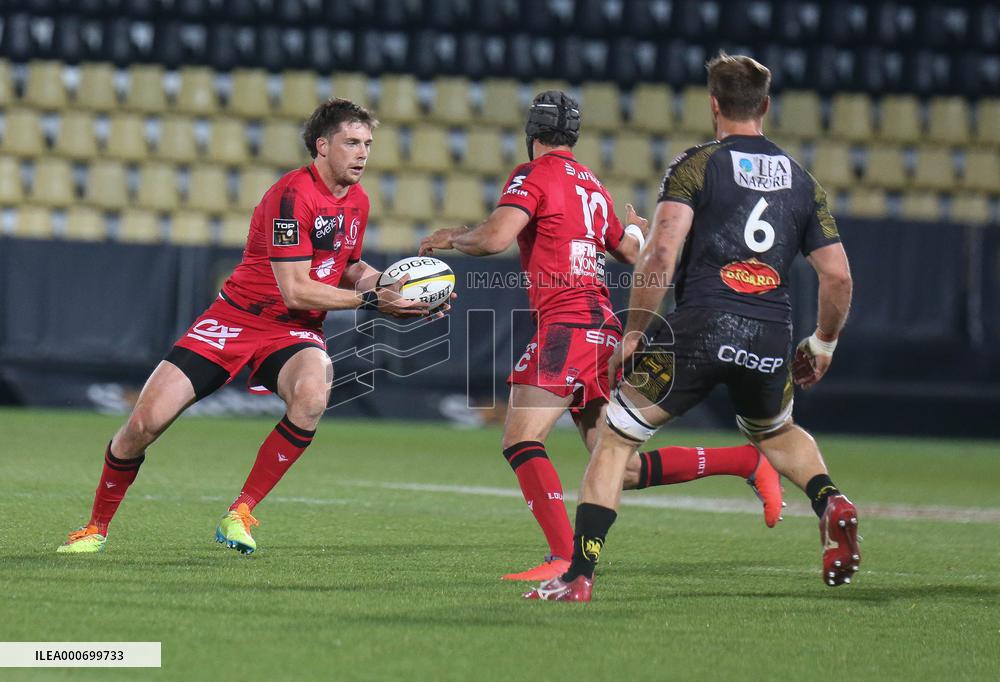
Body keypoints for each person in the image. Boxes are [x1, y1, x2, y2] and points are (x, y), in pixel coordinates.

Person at [525, 54, 860, 602]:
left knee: (613, 440)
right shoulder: (803, 182)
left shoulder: (696, 165)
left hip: (699, 330)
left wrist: (635, 331)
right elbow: (838, 276)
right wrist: (823, 343)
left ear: (713, 105)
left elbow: (660, 251)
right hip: (771, 334)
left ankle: (579, 575)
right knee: (776, 431)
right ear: (766, 107)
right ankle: (830, 501)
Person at [421, 90, 783, 582]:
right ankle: (742, 460)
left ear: (532, 136)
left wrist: (452, 238)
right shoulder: (590, 182)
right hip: (602, 327)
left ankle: (562, 558)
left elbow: (495, 238)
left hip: (567, 324)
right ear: (573, 136)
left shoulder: (533, 174)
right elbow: (631, 252)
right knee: (617, 466)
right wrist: (638, 231)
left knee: (520, 437)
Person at [57, 98, 442, 555]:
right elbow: (296, 289)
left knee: (312, 395)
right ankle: (96, 527)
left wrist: (403, 289)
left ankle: (240, 512)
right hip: (235, 318)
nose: (362, 153)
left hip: (293, 330)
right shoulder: (291, 197)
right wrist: (375, 301)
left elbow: (348, 265)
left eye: (368, 144)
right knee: (145, 421)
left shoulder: (356, 201)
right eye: (352, 142)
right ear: (322, 146)